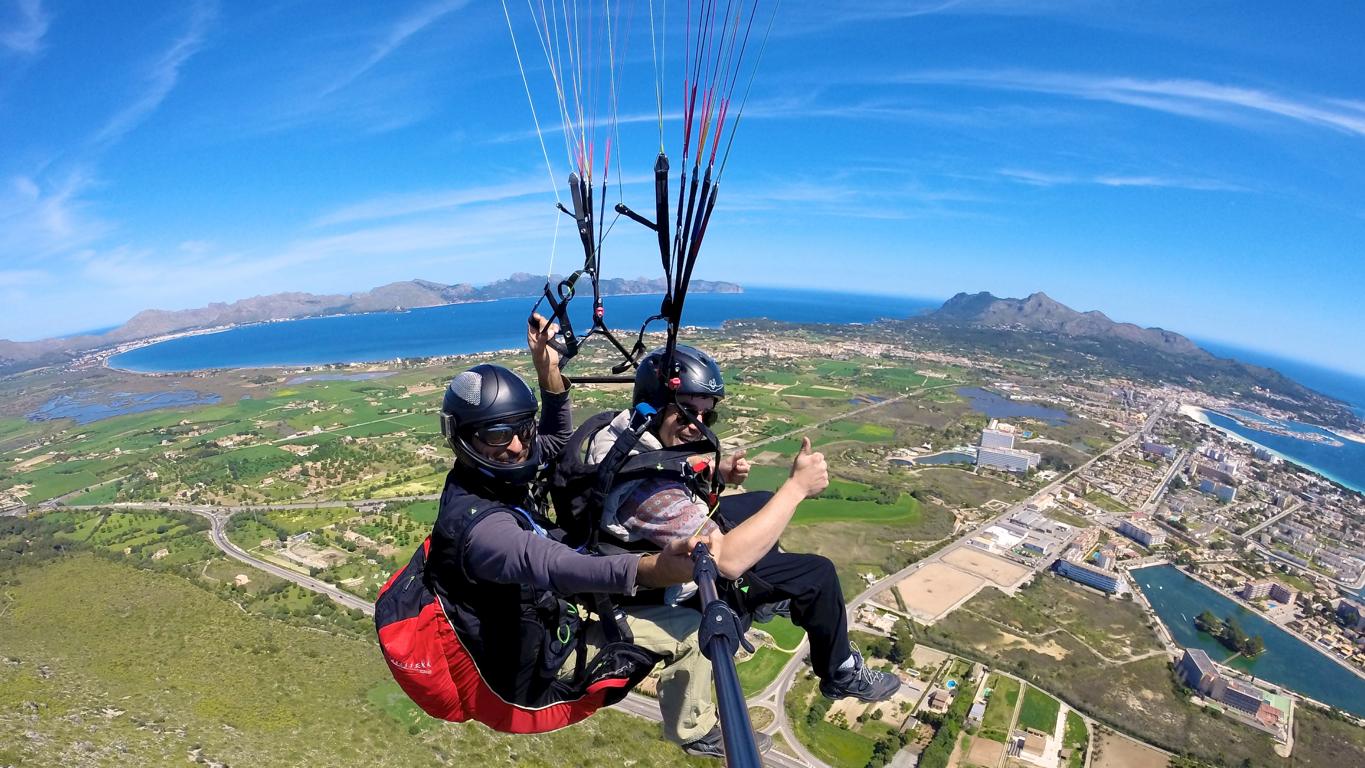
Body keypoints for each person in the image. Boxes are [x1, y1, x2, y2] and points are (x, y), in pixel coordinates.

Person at [423, 316, 768, 752]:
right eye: (497, 434)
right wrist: (653, 567)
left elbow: (556, 440)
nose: (515, 445)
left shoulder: (492, 471)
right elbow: (559, 566)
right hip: (535, 667)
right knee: (690, 631)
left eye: (521, 428)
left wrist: (548, 371)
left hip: (544, 613)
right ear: (465, 438)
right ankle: (694, 731)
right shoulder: (483, 529)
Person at [585, 345, 901, 712]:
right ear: (654, 404)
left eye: (706, 415)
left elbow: (659, 464)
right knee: (819, 575)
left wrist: (716, 473)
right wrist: (797, 488)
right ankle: (839, 671)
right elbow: (727, 560)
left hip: (648, 539)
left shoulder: (621, 433)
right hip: (671, 583)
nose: (696, 425)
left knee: (762, 501)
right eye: (688, 412)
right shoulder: (646, 494)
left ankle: (770, 596)